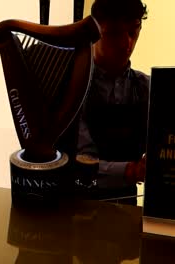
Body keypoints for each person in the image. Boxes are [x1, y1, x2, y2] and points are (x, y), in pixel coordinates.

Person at [76, 0, 149, 204]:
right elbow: (79, 162)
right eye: (115, 33)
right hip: (77, 210)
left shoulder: (148, 88)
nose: (127, 43)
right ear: (94, 33)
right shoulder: (74, 87)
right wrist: (131, 170)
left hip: (128, 210)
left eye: (134, 32)